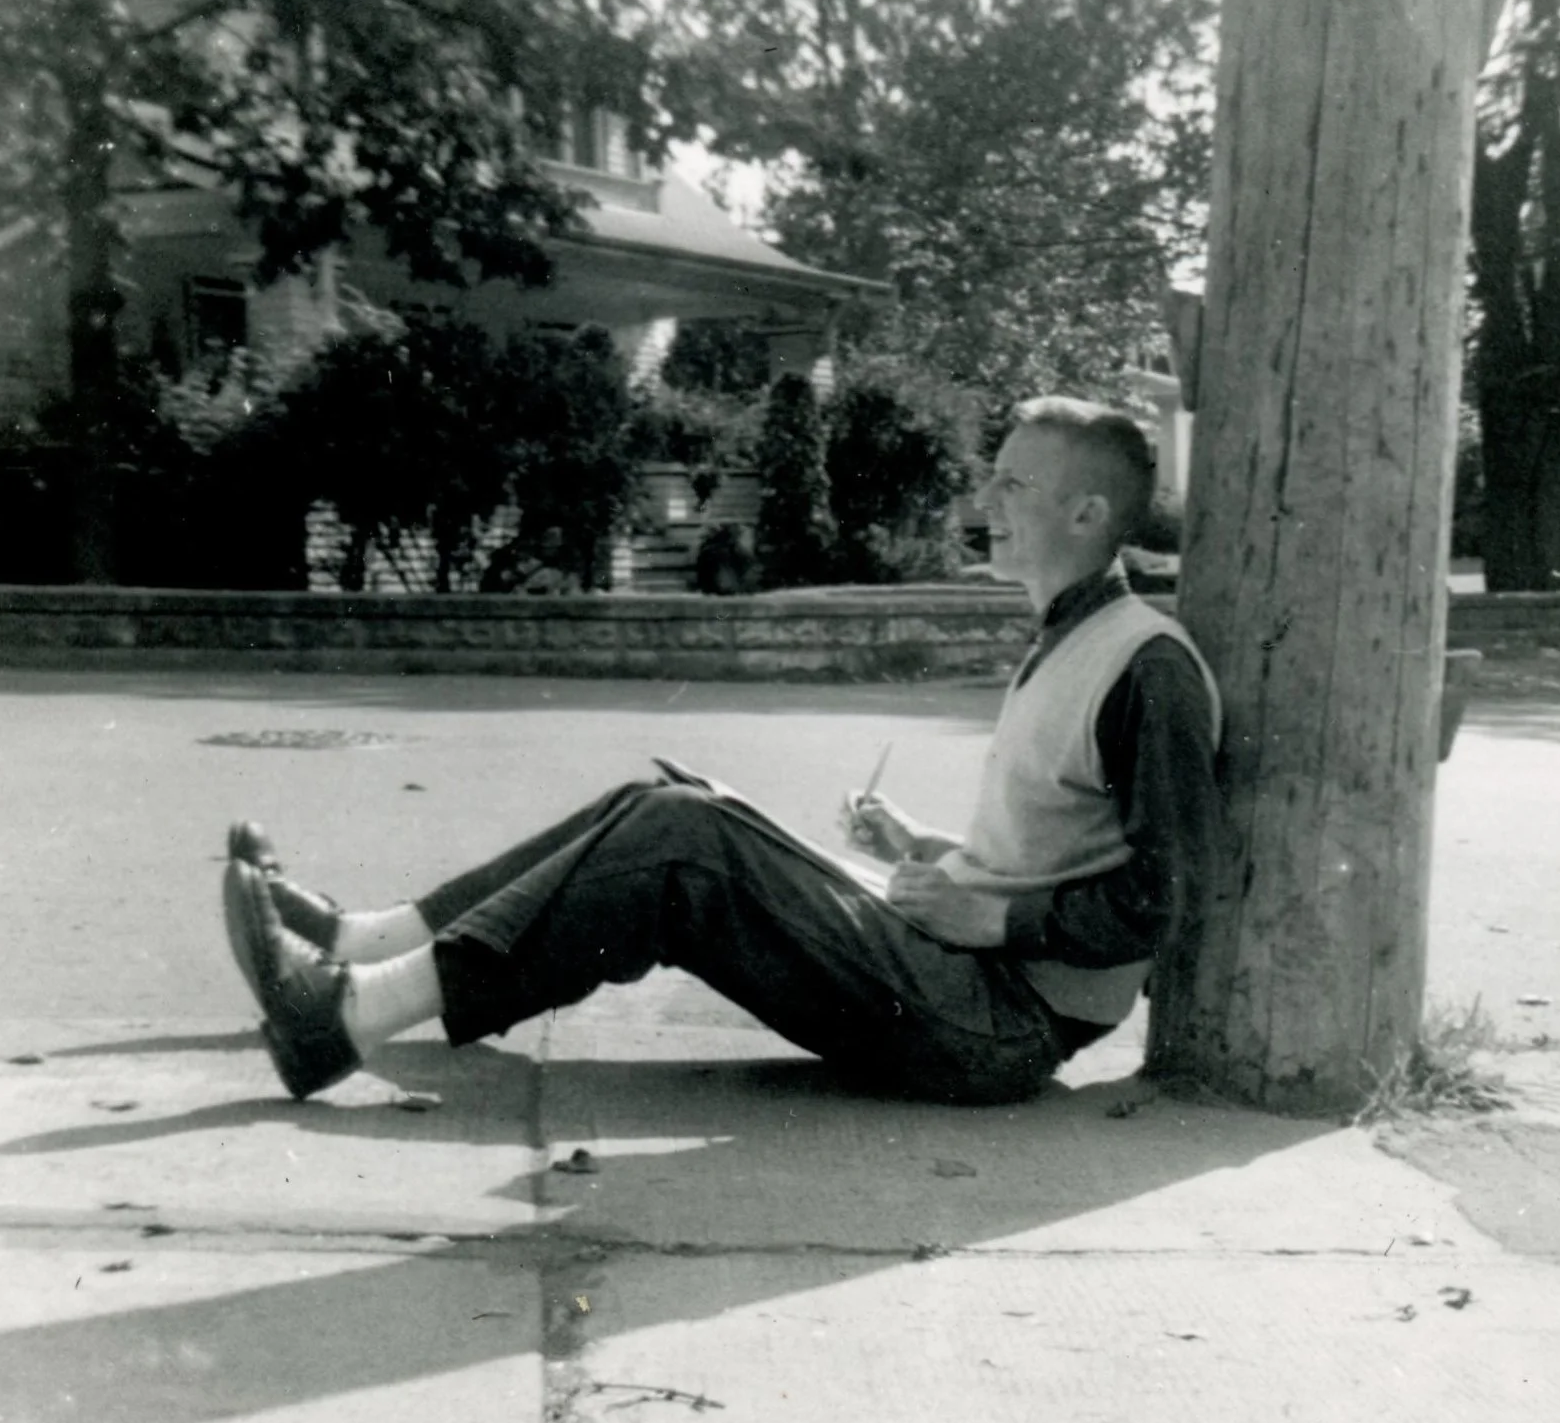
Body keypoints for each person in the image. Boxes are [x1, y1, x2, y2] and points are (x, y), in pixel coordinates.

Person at [221, 396, 1224, 1106]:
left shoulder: (1146, 668)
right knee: (664, 798)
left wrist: (991, 919)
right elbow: (1059, 846)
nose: (987, 499)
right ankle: (365, 945)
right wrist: (929, 855)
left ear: (1088, 514)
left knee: (681, 839)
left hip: (1000, 1027)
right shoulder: (1068, 635)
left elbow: (1164, 900)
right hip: (963, 979)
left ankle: (341, 1019)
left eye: (1012, 482)